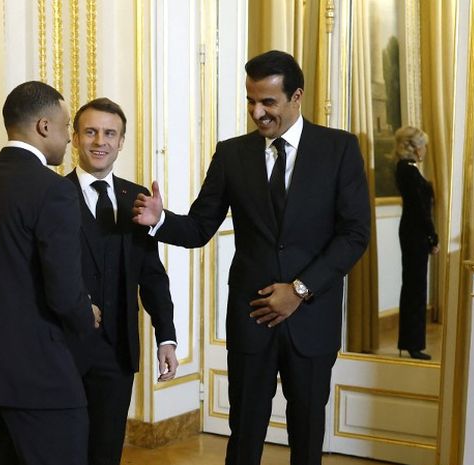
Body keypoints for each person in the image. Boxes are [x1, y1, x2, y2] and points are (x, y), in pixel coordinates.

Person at [133, 50, 370, 465]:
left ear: (296, 96)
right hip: (251, 319)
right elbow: (199, 228)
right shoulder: (231, 154)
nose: (257, 113)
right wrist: (160, 221)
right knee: (244, 431)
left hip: (312, 319)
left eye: (268, 102)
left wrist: (299, 290)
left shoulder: (339, 149)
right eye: (250, 101)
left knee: (308, 431)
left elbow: (354, 236)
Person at [0, 81, 96, 465]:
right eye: (65, 128)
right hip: (39, 376)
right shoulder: (53, 190)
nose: (69, 140)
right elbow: (63, 291)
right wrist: (86, 316)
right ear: (43, 127)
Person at [65, 97, 178, 465]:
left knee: (106, 451)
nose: (101, 141)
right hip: (63, 350)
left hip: (117, 352)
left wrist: (166, 336)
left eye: (110, 133)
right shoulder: (52, 196)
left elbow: (152, 276)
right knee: (62, 450)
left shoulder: (137, 199)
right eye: (91, 131)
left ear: (122, 141)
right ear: (75, 137)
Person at [393, 126, 438, 361]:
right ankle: (412, 344)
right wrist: (433, 236)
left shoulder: (407, 169)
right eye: (423, 145)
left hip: (412, 232)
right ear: (415, 147)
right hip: (415, 234)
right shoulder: (408, 171)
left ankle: (410, 343)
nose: (425, 150)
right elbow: (421, 210)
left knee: (413, 287)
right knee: (416, 289)